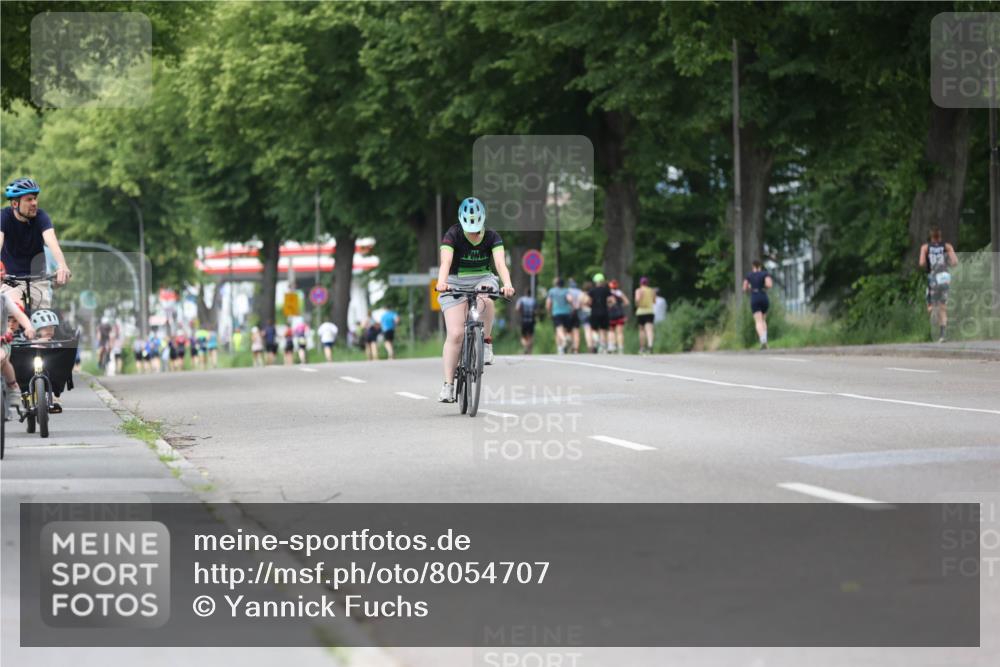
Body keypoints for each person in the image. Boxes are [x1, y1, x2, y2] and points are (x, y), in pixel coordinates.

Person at [435, 196, 515, 402]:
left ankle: (486, 342)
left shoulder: (492, 236)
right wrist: (441, 282)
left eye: (476, 228)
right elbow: (446, 262)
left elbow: (500, 263)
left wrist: (507, 284)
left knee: (486, 299)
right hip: (454, 282)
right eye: (469, 228)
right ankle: (448, 386)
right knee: (455, 334)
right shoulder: (452, 234)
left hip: (483, 279)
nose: (473, 232)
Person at [0, 178, 72, 310]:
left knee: (45, 321)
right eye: (29, 199)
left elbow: (52, 241)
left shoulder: (41, 217)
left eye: (35, 198)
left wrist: (62, 265)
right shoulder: (4, 217)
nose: (34, 203)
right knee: (13, 313)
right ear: (15, 203)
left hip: (38, 281)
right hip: (10, 281)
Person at [919, 226, 959, 342]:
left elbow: (921, 263)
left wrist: (929, 262)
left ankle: (933, 310)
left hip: (933, 277)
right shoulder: (947, 246)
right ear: (940, 236)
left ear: (930, 236)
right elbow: (955, 262)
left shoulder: (925, 247)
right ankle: (942, 335)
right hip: (945, 277)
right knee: (943, 306)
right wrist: (946, 262)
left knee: (931, 305)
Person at [1, 291, 36, 411]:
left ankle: (13, 387)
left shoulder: (4, 299)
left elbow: (19, 314)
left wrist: (29, 327)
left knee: (2, 357)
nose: (11, 324)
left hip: (2, 342)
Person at [743, 259, 773, 349]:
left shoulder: (749, 275)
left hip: (755, 297)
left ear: (753, 266)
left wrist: (750, 287)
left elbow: (744, 288)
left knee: (758, 321)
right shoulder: (765, 274)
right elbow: (769, 284)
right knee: (763, 320)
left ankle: (763, 340)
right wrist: (763, 286)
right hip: (763, 296)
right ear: (760, 266)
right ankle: (765, 341)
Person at [586, 273, 612, 353]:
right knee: (603, 330)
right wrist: (608, 306)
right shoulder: (606, 290)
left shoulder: (592, 291)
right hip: (604, 312)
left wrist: (590, 305)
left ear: (595, 281)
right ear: (602, 281)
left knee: (594, 329)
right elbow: (611, 301)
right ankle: (603, 346)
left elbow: (588, 301)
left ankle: (596, 342)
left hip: (594, 312)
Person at [546, 278, 573, 354]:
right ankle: (561, 347)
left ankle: (564, 340)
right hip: (566, 312)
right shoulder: (566, 291)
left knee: (558, 329)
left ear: (556, 284)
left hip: (556, 312)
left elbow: (548, 303)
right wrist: (571, 307)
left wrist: (548, 311)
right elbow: (570, 299)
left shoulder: (552, 291)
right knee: (565, 330)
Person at [634, 276, 656, 354]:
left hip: (641, 311)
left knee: (641, 330)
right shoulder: (652, 290)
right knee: (649, 329)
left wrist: (638, 303)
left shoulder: (638, 290)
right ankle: (650, 345)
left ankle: (642, 348)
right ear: (647, 283)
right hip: (649, 311)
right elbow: (654, 301)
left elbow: (637, 300)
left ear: (640, 283)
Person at [607, 279, 630, 354]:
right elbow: (627, 302)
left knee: (611, 331)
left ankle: (612, 346)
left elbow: (607, 304)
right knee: (620, 332)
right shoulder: (620, 293)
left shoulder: (608, 293)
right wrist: (620, 305)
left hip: (611, 314)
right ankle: (620, 348)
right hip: (619, 314)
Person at [566, 278, 583, 353]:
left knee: (568, 331)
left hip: (568, 312)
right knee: (576, 331)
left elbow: (568, 299)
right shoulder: (579, 291)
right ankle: (576, 348)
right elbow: (582, 301)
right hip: (577, 312)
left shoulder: (567, 291)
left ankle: (569, 343)